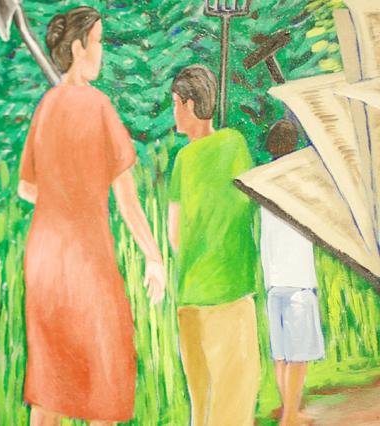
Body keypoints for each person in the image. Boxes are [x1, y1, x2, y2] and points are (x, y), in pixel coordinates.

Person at [17, 6, 166, 424]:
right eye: (99, 42)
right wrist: (153, 256)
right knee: (107, 375)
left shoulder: (45, 106)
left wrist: (63, 192)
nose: (102, 51)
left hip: (44, 259)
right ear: (79, 47)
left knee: (50, 382)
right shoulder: (99, 106)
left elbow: (27, 189)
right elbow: (127, 197)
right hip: (86, 261)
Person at [167, 64, 261, 426]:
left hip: (191, 297)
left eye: (176, 103)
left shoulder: (182, 161)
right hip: (231, 293)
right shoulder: (235, 144)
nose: (174, 111)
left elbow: (174, 234)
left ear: (190, 105)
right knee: (232, 407)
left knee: (201, 407)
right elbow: (249, 204)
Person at [261, 119, 323, 426]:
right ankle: (290, 417)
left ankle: (290, 410)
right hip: (298, 281)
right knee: (298, 354)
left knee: (282, 352)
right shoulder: (300, 184)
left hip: (274, 283)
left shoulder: (264, 184)